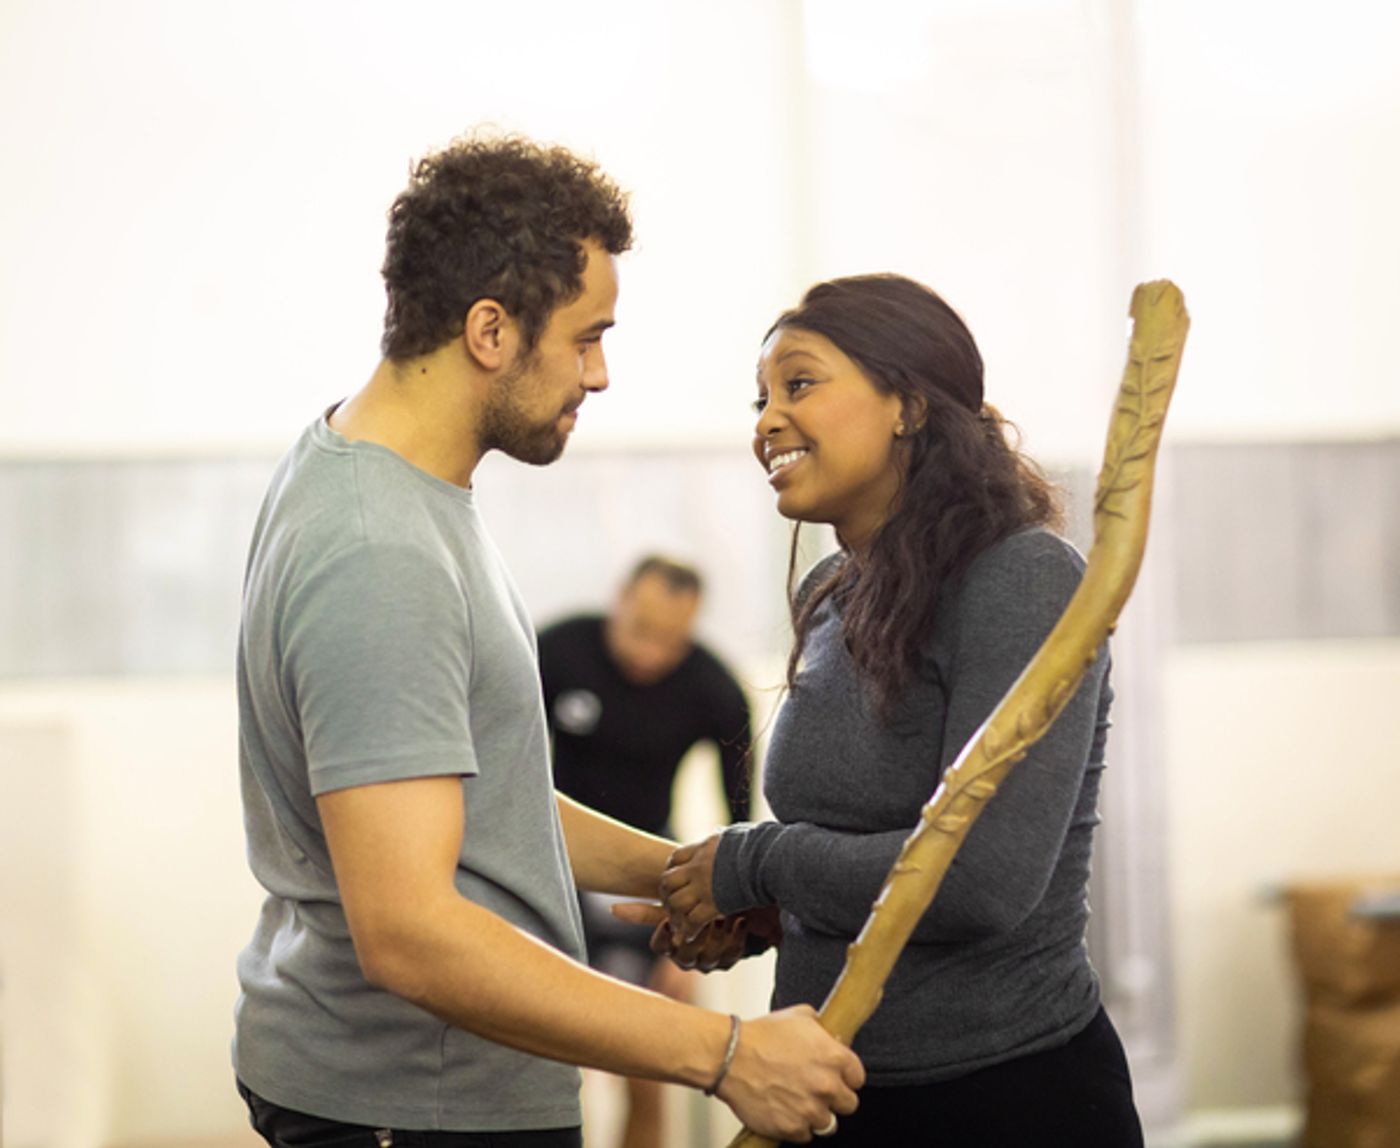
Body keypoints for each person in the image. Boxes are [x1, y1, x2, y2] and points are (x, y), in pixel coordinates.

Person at [232, 132, 862, 1148]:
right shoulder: (378, 551)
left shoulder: (389, 487)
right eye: (585, 338)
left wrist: (693, 875)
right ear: (490, 329)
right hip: (414, 1106)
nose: (599, 374)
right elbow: (408, 932)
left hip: (423, 1092)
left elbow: (486, 802)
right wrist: (725, 1052)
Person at [654, 274, 1144, 1146]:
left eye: (799, 384)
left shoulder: (1022, 579)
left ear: (909, 406)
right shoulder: (831, 591)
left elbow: (980, 881)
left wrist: (758, 863)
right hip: (832, 1090)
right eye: (761, 399)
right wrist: (776, 915)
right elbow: (855, 844)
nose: (767, 421)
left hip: (1003, 1103)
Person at [538, 555, 753, 1148]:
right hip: (554, 873)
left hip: (642, 883)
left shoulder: (715, 689)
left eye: (670, 640)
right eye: (641, 630)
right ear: (620, 599)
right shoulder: (558, 651)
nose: (651, 653)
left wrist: (695, 940)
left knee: (647, 1069)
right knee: (547, 1065)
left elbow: (742, 833)